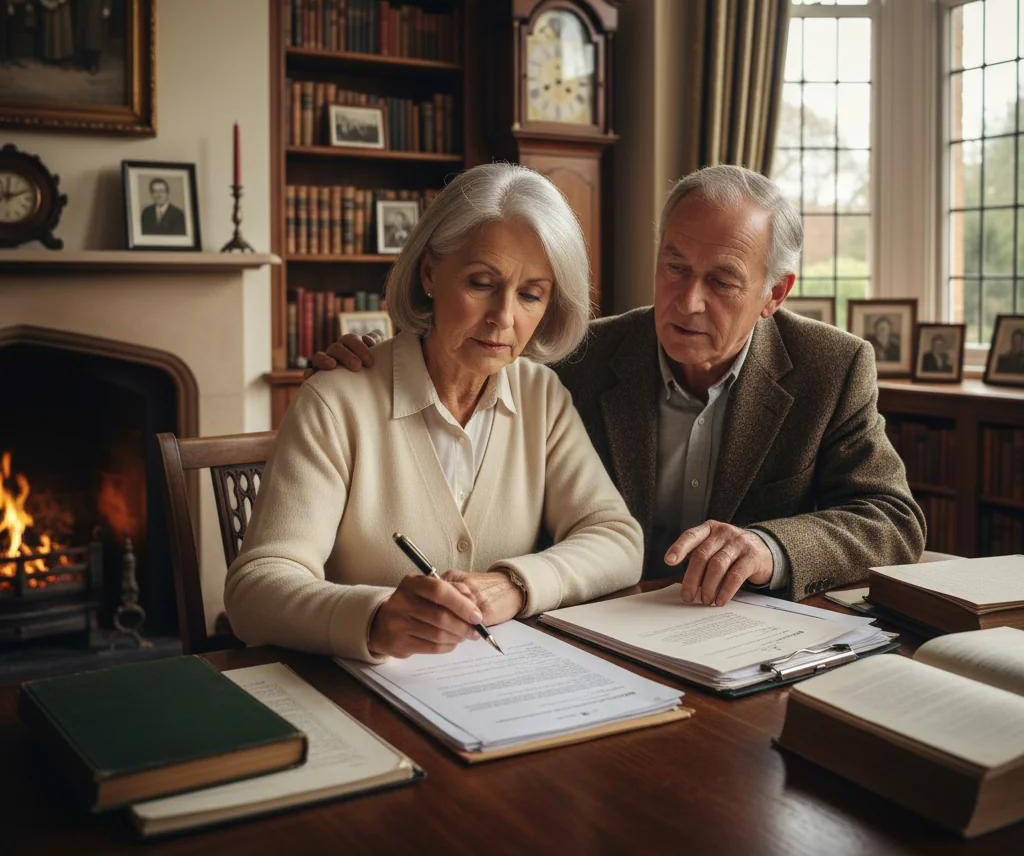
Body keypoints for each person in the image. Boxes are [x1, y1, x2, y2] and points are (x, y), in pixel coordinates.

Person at [316, 165, 925, 605]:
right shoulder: (579, 356)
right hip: (589, 633)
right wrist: (383, 361)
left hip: (749, 641)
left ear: (775, 294)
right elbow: (475, 359)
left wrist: (771, 548)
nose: (687, 301)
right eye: (675, 266)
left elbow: (894, 519)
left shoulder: (831, 367)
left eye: (722, 281)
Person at [224, 163, 643, 661]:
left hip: (502, 695)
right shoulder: (336, 400)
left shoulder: (541, 396)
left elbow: (618, 540)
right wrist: (376, 619)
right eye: (481, 283)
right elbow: (253, 592)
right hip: (362, 698)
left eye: (531, 294)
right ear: (429, 272)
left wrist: (515, 585)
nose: (503, 318)